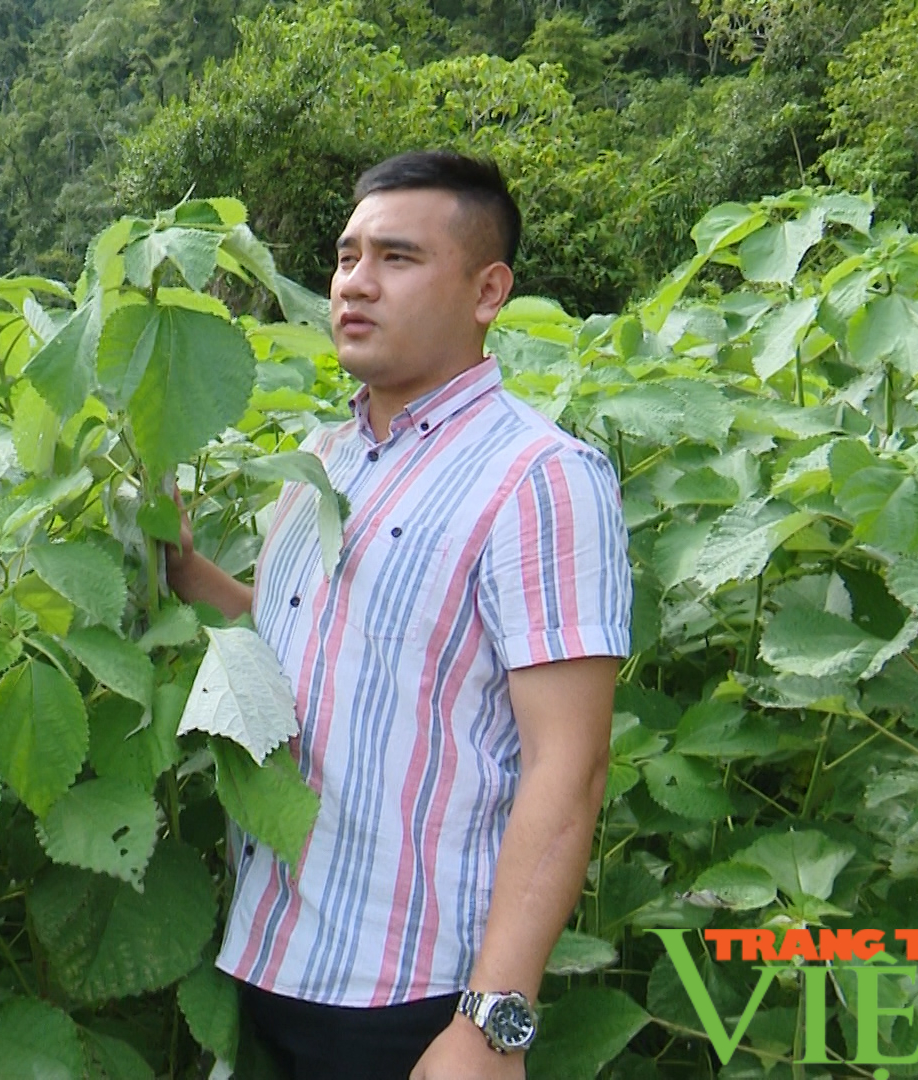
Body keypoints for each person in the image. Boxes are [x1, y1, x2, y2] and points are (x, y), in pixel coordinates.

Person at [165, 151, 631, 1079]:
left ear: (487, 290)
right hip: (269, 954)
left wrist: (492, 1025)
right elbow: (301, 635)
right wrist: (182, 567)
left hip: (413, 996)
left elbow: (567, 766)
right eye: (346, 257)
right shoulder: (320, 458)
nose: (355, 285)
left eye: (398, 259)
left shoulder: (541, 478)